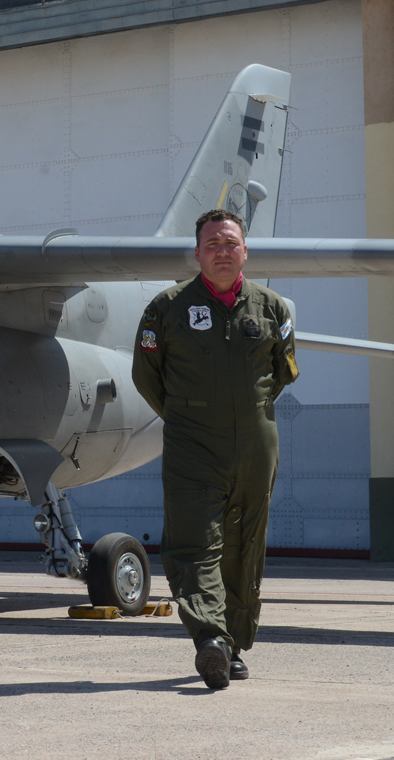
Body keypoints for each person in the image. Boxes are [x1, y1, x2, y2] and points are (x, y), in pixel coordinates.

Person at [131, 208, 297, 689]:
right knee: (195, 541)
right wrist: (190, 416)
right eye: (212, 244)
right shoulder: (166, 309)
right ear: (198, 253)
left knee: (245, 544)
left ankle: (234, 644)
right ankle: (210, 637)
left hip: (256, 442)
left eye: (230, 243)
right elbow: (148, 377)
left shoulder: (271, 308)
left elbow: (281, 373)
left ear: (245, 251)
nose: (222, 251)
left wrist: (245, 414)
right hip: (191, 442)